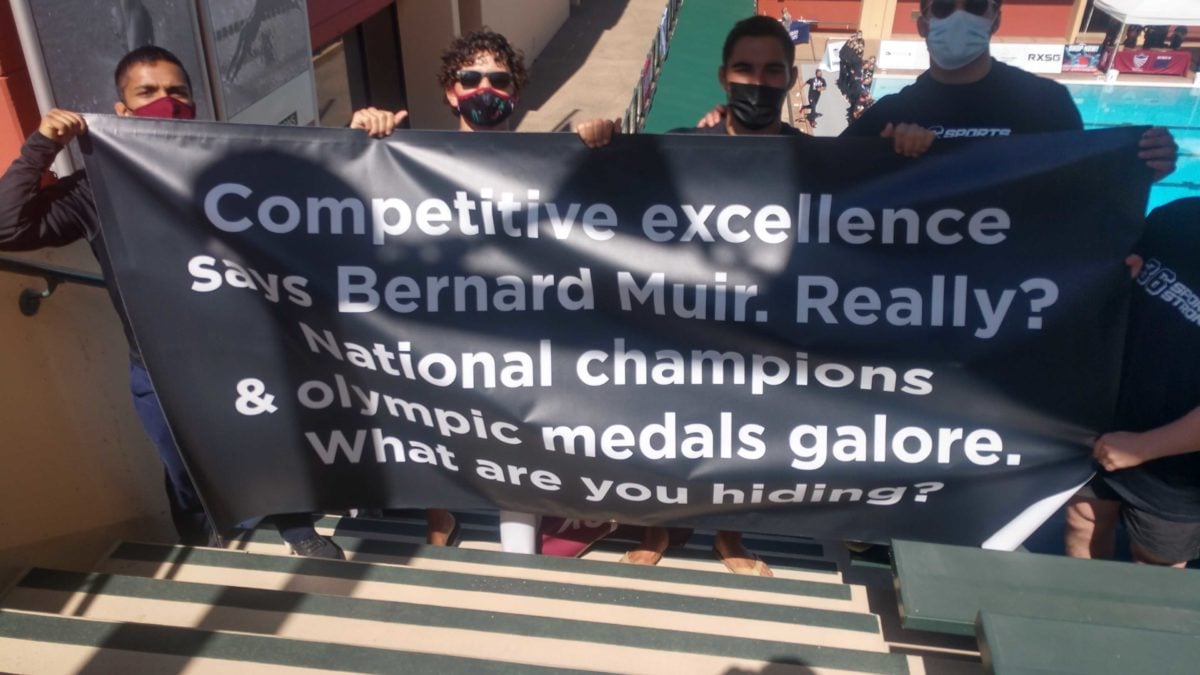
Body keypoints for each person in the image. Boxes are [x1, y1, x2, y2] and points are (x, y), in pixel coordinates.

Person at [577, 16, 935, 576]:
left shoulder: (816, 160)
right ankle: (659, 528)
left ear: (791, 79)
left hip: (765, 329)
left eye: (773, 70)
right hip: (684, 325)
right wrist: (596, 139)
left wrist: (907, 151)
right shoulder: (679, 147)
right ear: (723, 76)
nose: (758, 82)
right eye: (745, 69)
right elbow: (608, 189)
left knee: (748, 435)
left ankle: (731, 538)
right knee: (668, 430)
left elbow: (882, 210)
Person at [0, 45, 343, 559]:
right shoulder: (94, 192)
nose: (167, 102)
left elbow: (327, 197)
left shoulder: (235, 174)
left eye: (177, 91)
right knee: (183, 465)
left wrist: (363, 139)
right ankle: (198, 542)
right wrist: (42, 146)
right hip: (159, 366)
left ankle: (298, 530)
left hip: (245, 352)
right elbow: (7, 226)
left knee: (269, 442)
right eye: (148, 92)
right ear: (122, 110)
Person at [350, 29, 536, 553]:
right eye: (470, 78)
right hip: (437, 325)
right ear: (451, 92)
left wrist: (599, 141)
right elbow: (332, 196)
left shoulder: (547, 161)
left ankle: (519, 552)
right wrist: (357, 134)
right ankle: (440, 515)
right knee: (427, 420)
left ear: (514, 92)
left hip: (514, 330)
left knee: (518, 434)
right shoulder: (410, 157)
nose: (484, 88)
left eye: (498, 80)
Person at [841, 0, 1176, 181]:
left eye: (974, 6)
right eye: (943, 7)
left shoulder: (1046, 103)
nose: (959, 17)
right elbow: (821, 186)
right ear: (923, 23)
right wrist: (880, 155)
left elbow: (1077, 189)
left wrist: (1139, 165)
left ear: (995, 19)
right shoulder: (887, 117)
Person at [1064, 198, 1200, 568]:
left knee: (1154, 564)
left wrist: (1144, 447)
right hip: (1107, 420)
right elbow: (1109, 268)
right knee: (1083, 522)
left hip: (1177, 465)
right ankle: (1082, 615)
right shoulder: (1178, 216)